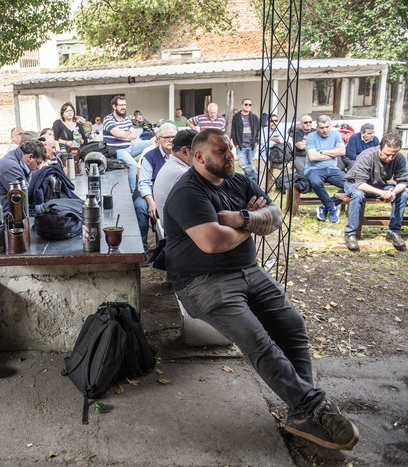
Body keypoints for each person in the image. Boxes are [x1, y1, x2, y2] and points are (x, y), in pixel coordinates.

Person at [162, 128, 360, 451]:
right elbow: (213, 242)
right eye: (221, 152)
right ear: (198, 157)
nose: (230, 156)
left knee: (293, 324)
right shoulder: (187, 192)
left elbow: (275, 216)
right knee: (258, 340)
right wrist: (252, 223)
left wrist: (240, 218)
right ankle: (313, 409)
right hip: (202, 282)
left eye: (230, 150)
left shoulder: (238, 181)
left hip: (248, 271)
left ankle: (300, 410)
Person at [342, 133, 407, 252]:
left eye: (394, 154)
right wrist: (382, 193)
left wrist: (393, 191)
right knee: (358, 194)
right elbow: (360, 184)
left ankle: (393, 232)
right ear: (380, 148)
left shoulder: (400, 158)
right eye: (387, 154)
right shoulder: (367, 155)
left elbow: (403, 182)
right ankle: (350, 233)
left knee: (403, 194)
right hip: (355, 183)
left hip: (379, 185)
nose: (390, 158)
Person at [134, 123, 177, 253]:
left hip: (173, 194)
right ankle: (143, 249)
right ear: (158, 138)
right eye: (166, 137)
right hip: (152, 194)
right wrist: (151, 202)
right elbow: (144, 183)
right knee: (140, 206)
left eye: (173, 137)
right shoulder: (150, 156)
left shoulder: (181, 153)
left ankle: (172, 248)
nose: (171, 140)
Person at [0, 140, 46, 215]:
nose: (38, 168)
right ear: (30, 157)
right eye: (38, 163)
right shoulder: (11, 166)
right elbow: (26, 197)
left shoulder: (15, 161)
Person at [102, 95, 152, 192]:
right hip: (117, 150)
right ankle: (133, 192)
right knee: (133, 165)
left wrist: (122, 135)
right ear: (114, 106)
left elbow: (134, 135)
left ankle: (149, 175)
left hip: (130, 147)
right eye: (121, 105)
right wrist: (125, 134)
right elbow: (117, 134)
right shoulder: (108, 119)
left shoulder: (126, 118)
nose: (123, 107)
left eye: (125, 105)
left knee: (152, 143)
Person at [305, 115, 346, 223]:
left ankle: (325, 206)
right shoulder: (311, 136)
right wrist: (333, 153)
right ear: (317, 127)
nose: (325, 130)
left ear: (330, 125)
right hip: (314, 169)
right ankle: (332, 208)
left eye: (327, 127)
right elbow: (312, 157)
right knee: (316, 183)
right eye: (322, 128)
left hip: (332, 168)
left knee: (351, 184)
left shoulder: (336, 134)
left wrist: (322, 151)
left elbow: (342, 151)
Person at [152, 129, 197, 218]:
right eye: (199, 150)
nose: (202, 155)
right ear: (184, 151)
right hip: (177, 229)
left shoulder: (173, 165)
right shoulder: (182, 173)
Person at [231, 98, 260, 182]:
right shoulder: (236, 117)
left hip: (252, 145)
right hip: (241, 145)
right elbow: (234, 130)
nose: (248, 106)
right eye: (246, 104)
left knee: (250, 164)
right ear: (242, 105)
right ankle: (256, 176)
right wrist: (235, 143)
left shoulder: (254, 117)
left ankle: (250, 183)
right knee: (243, 164)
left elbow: (258, 130)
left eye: (249, 104)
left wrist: (256, 141)